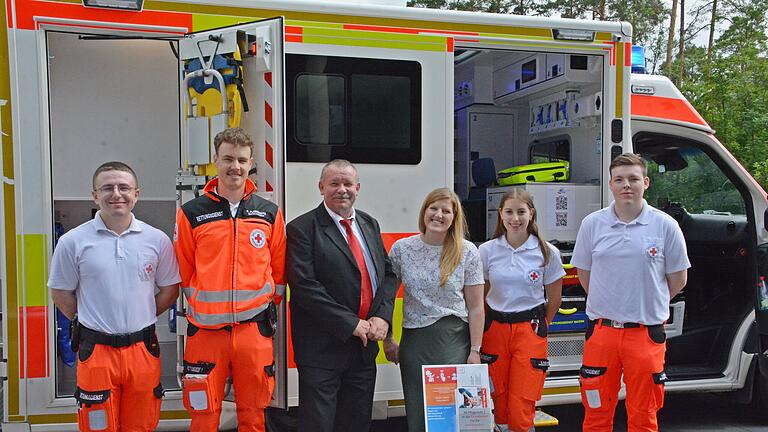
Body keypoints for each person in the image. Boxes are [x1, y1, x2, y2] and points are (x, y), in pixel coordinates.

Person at [48, 161, 180, 431]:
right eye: (107, 188)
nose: (116, 194)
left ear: (136, 194)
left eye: (124, 187)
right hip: (96, 352)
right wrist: (87, 316)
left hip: (143, 351)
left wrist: (141, 313)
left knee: (141, 425)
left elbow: (170, 290)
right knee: (98, 425)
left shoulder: (157, 240)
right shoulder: (73, 241)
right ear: (95, 195)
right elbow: (60, 292)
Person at [174, 127, 287, 431]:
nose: (234, 166)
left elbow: (278, 272)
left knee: (253, 414)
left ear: (251, 163)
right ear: (215, 160)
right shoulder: (191, 213)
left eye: (241, 159)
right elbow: (184, 270)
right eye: (227, 159)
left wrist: (263, 307)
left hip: (253, 330)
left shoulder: (269, 213)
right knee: (203, 413)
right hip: (206, 332)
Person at [571, 153, 690, 431]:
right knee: (596, 413)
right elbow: (584, 275)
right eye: (620, 179)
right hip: (602, 335)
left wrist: (646, 301)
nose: (627, 185)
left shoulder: (665, 226)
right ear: (611, 185)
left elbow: (678, 279)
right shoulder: (593, 224)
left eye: (633, 179)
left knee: (644, 414)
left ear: (645, 182)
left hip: (645, 335)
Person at [286, 159, 398, 432]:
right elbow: (305, 287)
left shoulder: (369, 224)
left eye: (348, 184)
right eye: (334, 183)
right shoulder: (302, 229)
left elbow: (387, 275)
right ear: (321, 187)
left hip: (363, 351)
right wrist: (351, 323)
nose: (341, 190)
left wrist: (382, 317)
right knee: (319, 425)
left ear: (358, 188)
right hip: (322, 351)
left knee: (357, 423)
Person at [383, 188, 485, 432]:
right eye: (434, 208)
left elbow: (476, 306)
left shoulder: (467, 251)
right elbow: (386, 296)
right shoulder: (402, 249)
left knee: (448, 418)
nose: (439, 215)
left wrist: (475, 350)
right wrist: (388, 339)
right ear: (424, 211)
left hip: (453, 341)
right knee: (418, 415)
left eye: (446, 211)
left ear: (454, 217)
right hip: (414, 342)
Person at [479, 188, 565, 432]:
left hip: (530, 328)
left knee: (524, 393)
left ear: (531, 214)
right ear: (500, 214)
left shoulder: (547, 252)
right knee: (497, 390)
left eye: (521, 212)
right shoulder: (487, 251)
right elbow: (481, 296)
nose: (515, 219)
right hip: (495, 328)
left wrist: (539, 325)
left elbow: (554, 299)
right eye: (509, 212)